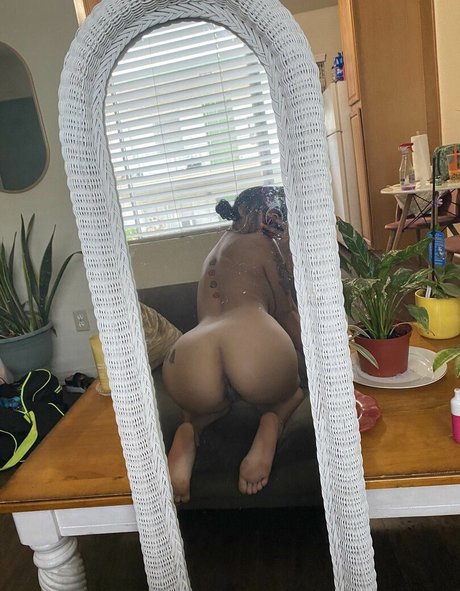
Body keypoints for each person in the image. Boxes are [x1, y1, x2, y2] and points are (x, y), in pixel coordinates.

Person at [162, 186, 304, 503]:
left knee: (205, 405)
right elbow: (286, 313)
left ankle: (190, 430)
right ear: (272, 216)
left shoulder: (214, 251)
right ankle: (273, 420)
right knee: (294, 390)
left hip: (189, 353)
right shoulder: (266, 244)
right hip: (250, 336)